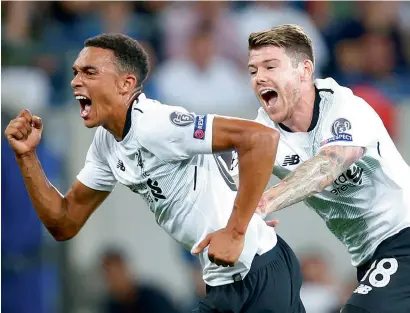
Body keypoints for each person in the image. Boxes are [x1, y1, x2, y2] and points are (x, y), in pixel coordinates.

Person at [4, 33, 305, 313]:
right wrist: (27, 156)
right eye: (75, 72)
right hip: (234, 276)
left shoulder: (156, 124)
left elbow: (261, 138)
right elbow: (64, 222)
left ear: (125, 84)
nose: (75, 82)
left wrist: (236, 229)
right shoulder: (106, 143)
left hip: (256, 271)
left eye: (89, 72)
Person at [242, 24, 410, 313]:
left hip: (403, 236)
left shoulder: (346, 107)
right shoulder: (260, 135)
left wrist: (264, 203)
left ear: (304, 70)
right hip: (370, 258)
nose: (260, 78)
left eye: (270, 66)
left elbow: (328, 165)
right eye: (253, 70)